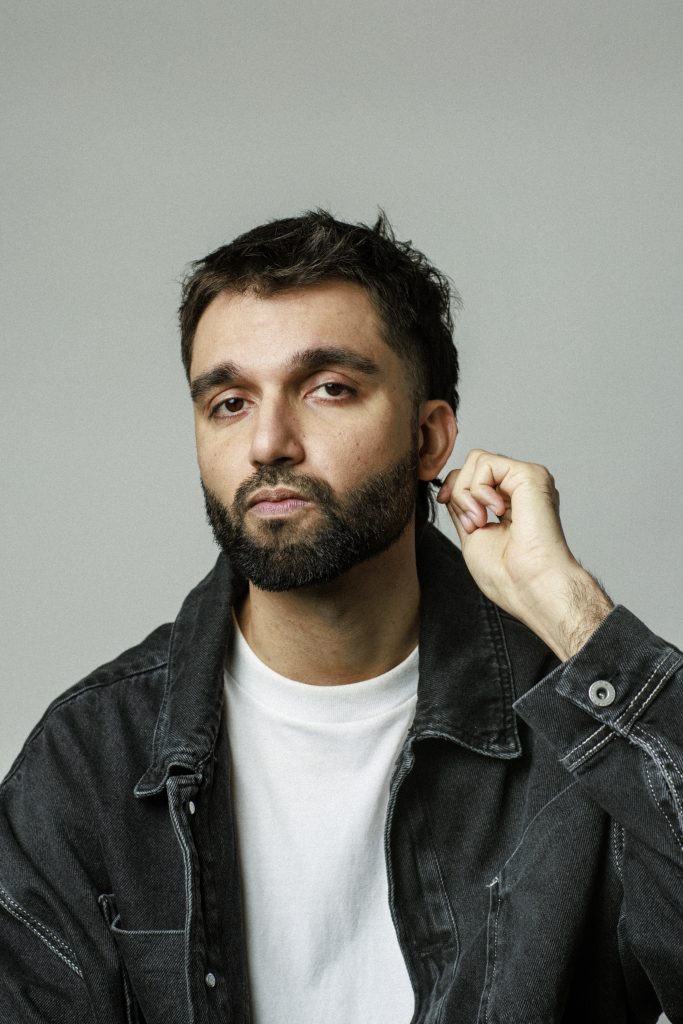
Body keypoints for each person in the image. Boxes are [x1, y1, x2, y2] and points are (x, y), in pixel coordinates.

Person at [0, 211, 681, 1024]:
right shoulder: (92, 757)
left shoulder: (577, 739)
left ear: (428, 440)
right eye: (228, 402)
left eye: (328, 388)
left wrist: (571, 614)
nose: (268, 443)